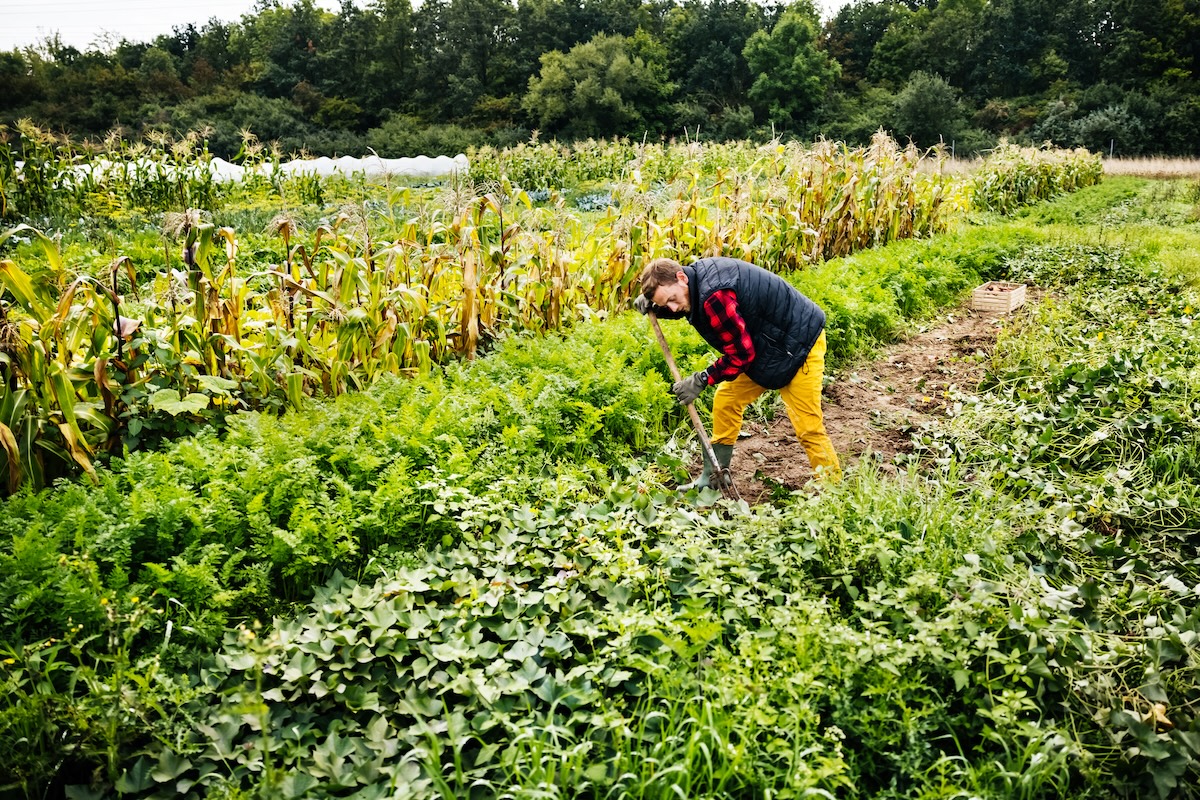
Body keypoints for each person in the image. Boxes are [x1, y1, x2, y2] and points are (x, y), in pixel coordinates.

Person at [634, 256, 840, 489]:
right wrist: (656, 308)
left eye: (671, 299)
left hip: (799, 344)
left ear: (681, 278)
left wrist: (703, 379)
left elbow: (741, 356)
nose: (671, 307)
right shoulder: (695, 281)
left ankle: (833, 489)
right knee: (727, 400)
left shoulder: (715, 295)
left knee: (808, 427)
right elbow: (686, 306)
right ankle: (714, 475)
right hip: (767, 347)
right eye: (664, 304)